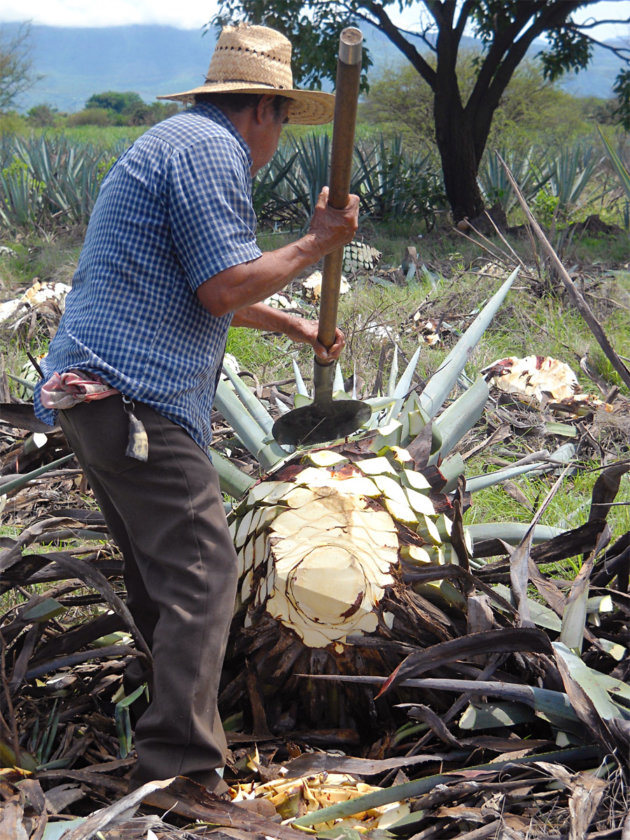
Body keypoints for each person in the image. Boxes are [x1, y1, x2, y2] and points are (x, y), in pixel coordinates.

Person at [33, 23, 359, 795]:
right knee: (205, 572)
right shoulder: (213, 151)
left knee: (160, 580)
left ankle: (170, 726)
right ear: (265, 111)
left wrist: (293, 323)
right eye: (281, 119)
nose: (278, 136)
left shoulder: (178, 140)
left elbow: (205, 286)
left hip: (94, 397)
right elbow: (221, 287)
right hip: (134, 396)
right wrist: (316, 244)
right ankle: (181, 770)